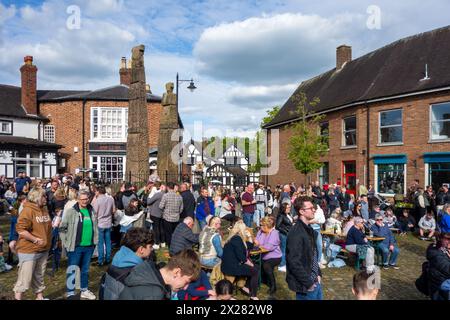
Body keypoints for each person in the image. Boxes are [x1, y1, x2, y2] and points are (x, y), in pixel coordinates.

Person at [13, 188, 52, 300]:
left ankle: (39, 297)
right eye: (43, 196)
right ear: (36, 197)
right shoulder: (27, 210)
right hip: (29, 250)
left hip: (43, 249)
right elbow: (20, 229)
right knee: (25, 279)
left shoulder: (44, 209)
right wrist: (35, 240)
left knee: (39, 276)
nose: (46, 198)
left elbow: (44, 227)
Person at [60, 190, 98, 300]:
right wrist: (66, 242)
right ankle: (70, 291)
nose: (85, 201)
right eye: (82, 199)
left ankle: (84, 290)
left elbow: (95, 227)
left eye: (86, 199)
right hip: (75, 247)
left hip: (89, 246)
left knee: (85, 270)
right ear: (77, 199)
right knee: (72, 269)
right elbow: (62, 228)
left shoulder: (92, 210)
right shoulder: (71, 212)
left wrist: (96, 240)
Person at [286, 196, 322, 300]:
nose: (314, 210)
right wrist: (308, 283)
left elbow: (312, 254)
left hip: (315, 281)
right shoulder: (296, 233)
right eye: (311, 208)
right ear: (301, 211)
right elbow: (293, 262)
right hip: (306, 286)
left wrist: (318, 273)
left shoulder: (308, 229)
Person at [221, 220, 259, 300]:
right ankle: (253, 296)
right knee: (255, 270)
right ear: (241, 230)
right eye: (245, 229)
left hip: (232, 264)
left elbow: (249, 246)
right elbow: (241, 257)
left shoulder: (235, 238)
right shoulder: (236, 239)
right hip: (231, 267)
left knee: (255, 267)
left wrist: (249, 237)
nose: (246, 231)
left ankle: (246, 287)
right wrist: (250, 264)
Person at [254, 216, 282, 299]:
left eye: (262, 225)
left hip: (275, 256)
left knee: (267, 266)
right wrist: (258, 244)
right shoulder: (260, 231)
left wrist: (258, 244)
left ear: (267, 226)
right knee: (255, 263)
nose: (260, 227)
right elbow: (256, 241)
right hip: (263, 254)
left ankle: (273, 286)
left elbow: (268, 248)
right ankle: (262, 280)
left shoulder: (274, 233)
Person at [92, 185, 115, 266]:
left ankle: (100, 260)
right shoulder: (110, 199)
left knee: (100, 243)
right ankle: (108, 258)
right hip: (108, 223)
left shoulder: (97, 201)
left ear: (98, 191)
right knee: (108, 242)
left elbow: (94, 214)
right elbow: (113, 210)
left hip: (100, 223)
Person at [426, 232, 450, 300]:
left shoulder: (446, 250)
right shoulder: (435, 251)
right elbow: (446, 268)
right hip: (439, 280)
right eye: (447, 239)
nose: (449, 242)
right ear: (440, 239)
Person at [159, 182, 183, 247]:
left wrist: (165, 211)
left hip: (167, 217)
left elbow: (160, 206)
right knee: (175, 233)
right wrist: (177, 213)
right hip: (176, 218)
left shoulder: (165, 195)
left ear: (167, 187)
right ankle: (175, 245)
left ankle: (170, 245)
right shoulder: (179, 196)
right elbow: (181, 209)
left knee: (168, 233)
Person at [147, 182, 166, 249]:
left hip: (155, 213)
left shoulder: (158, 194)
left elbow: (148, 202)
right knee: (161, 228)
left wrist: (150, 195)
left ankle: (157, 243)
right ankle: (163, 242)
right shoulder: (165, 194)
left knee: (156, 229)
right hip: (162, 214)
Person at [276, 202, 293, 272]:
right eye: (288, 208)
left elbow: (288, 224)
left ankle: (285, 263)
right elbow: (277, 226)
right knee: (283, 250)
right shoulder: (281, 215)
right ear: (284, 208)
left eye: (289, 207)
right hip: (283, 235)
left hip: (288, 234)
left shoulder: (287, 215)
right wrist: (285, 231)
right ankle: (281, 265)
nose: (289, 209)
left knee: (286, 249)